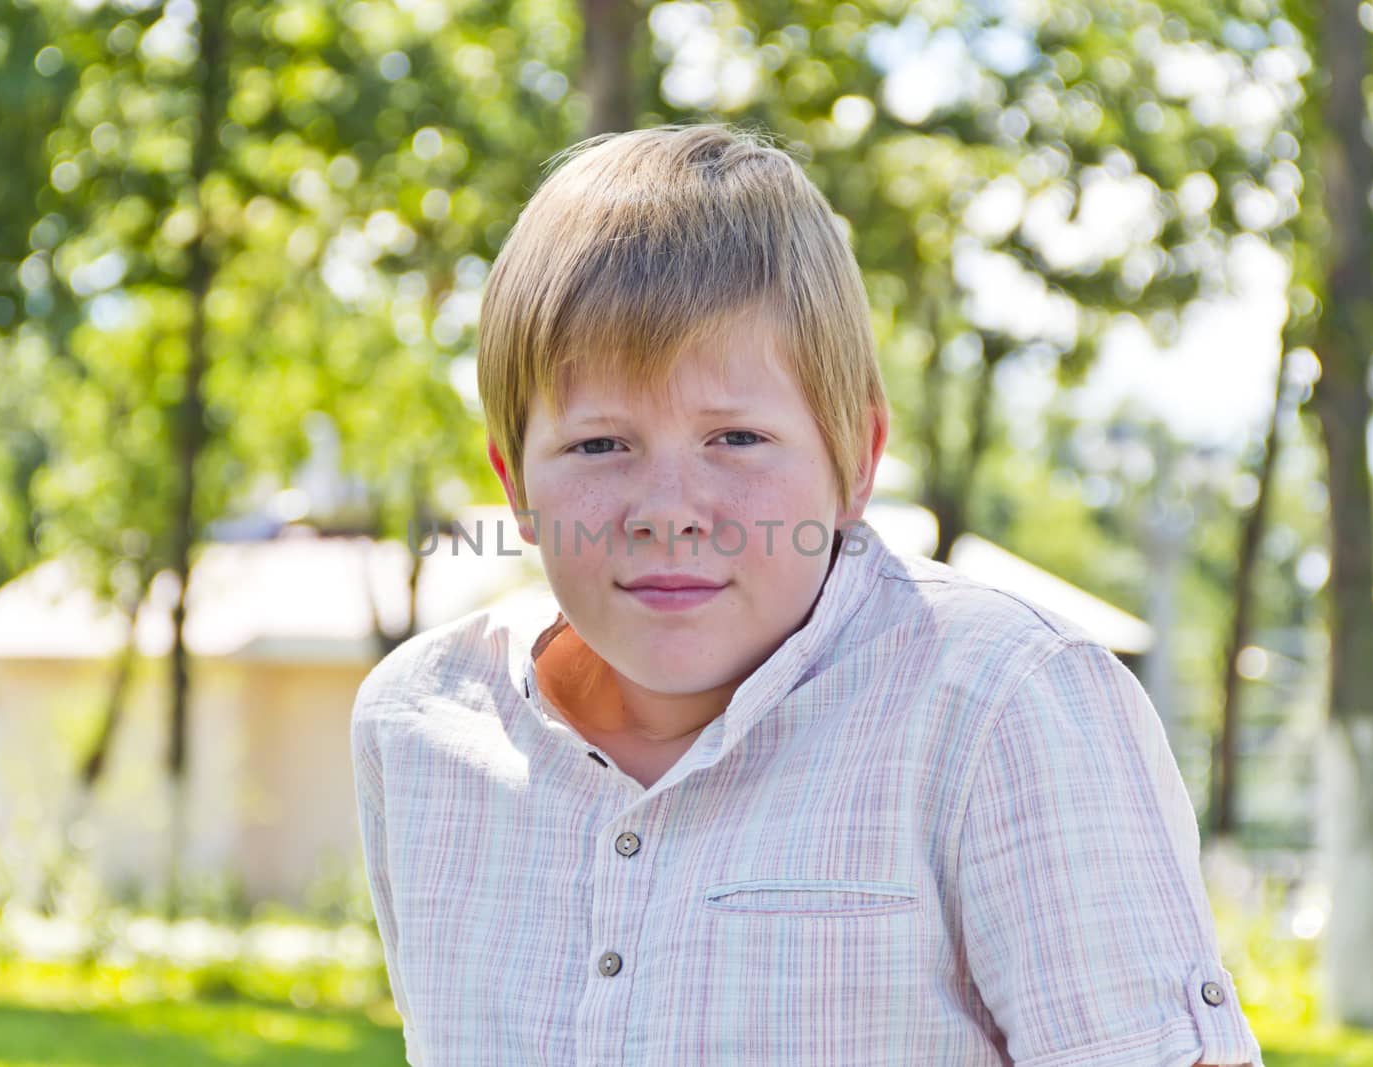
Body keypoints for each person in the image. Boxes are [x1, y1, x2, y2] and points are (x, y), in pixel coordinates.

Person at [350, 123, 1263, 1066]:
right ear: (514, 485)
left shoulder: (1003, 704)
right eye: (599, 445)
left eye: (736, 438)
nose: (670, 513)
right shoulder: (417, 724)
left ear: (855, 461)